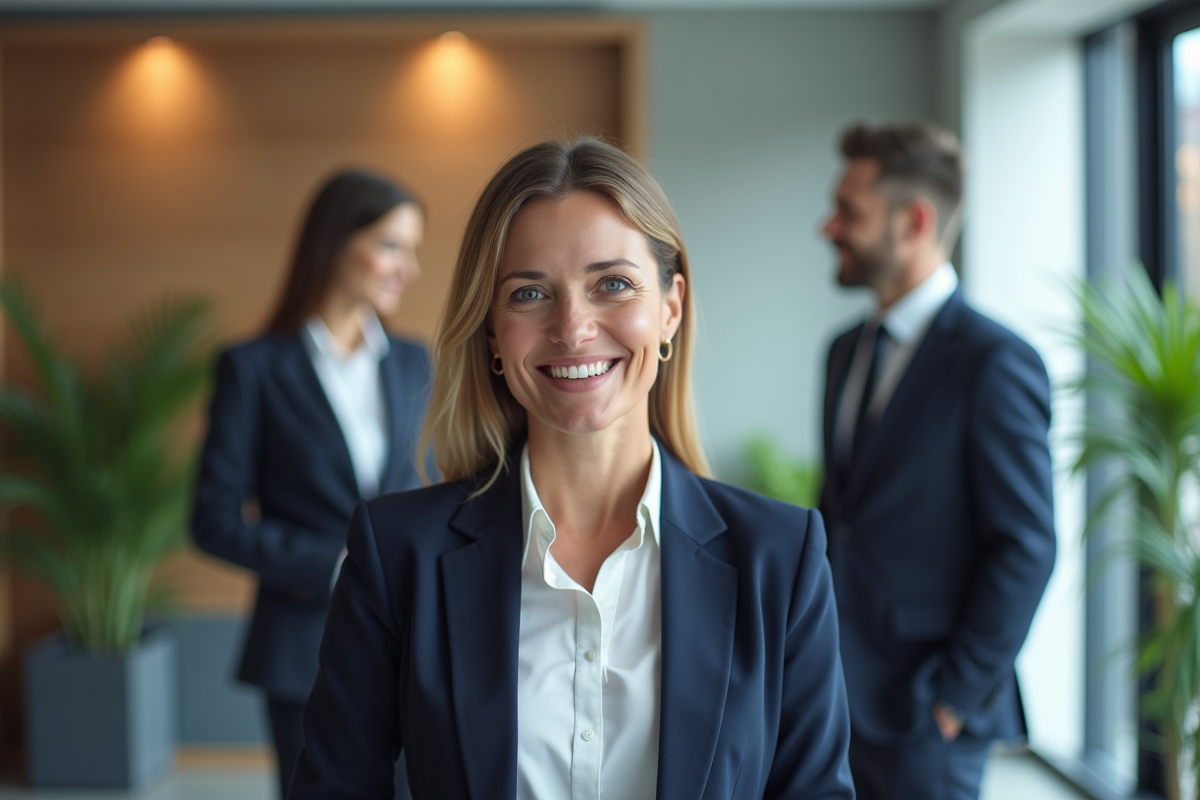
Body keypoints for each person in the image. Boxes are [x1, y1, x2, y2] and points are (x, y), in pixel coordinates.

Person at [288, 138, 855, 800]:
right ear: (492, 332)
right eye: (529, 293)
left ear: (670, 308)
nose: (573, 327)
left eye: (612, 284)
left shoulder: (780, 557)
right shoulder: (397, 554)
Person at [817, 120, 1056, 800]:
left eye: (849, 211)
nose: (828, 228)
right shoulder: (843, 351)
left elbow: (1027, 544)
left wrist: (952, 699)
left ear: (914, 222)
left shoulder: (995, 362)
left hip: (927, 714)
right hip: (837, 694)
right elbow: (843, 517)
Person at [191, 169, 430, 800]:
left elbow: (434, 488)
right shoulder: (253, 370)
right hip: (302, 647)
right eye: (390, 246)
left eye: (412, 250)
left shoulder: (414, 362)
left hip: (411, 641)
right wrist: (337, 562)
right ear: (334, 242)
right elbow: (212, 518)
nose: (408, 268)